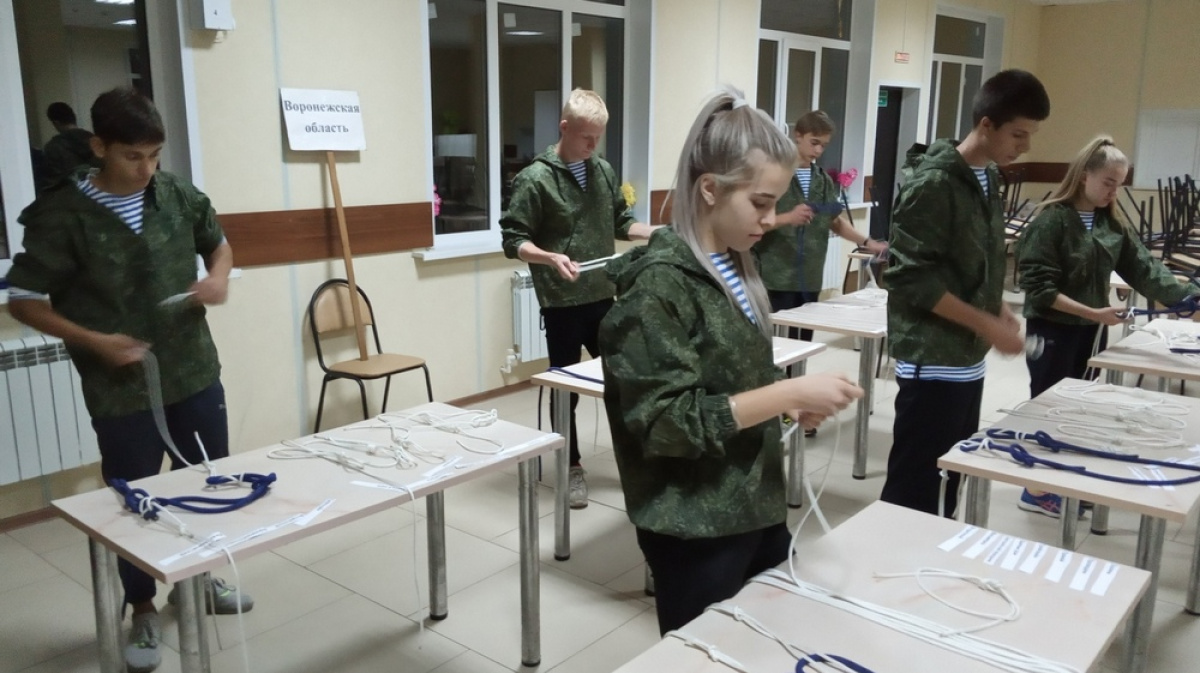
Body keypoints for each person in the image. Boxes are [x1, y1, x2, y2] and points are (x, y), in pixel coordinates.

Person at [599, 86, 863, 635]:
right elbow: (667, 423)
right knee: (706, 649)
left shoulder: (736, 264)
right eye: (761, 203)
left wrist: (783, 409)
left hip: (753, 500)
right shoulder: (658, 290)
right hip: (695, 523)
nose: (770, 220)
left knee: (764, 641)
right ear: (710, 189)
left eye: (775, 203)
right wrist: (788, 394)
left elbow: (732, 378)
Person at [6, 88, 248, 673]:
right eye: (132, 157)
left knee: (209, 483)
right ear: (99, 147)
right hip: (119, 386)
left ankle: (200, 578)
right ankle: (141, 606)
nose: (147, 170)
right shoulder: (63, 215)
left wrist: (219, 280)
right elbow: (23, 300)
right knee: (135, 503)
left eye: (155, 156)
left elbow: (219, 247)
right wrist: (95, 341)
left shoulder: (175, 195)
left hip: (191, 369)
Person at [882, 69, 1050, 517]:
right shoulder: (934, 183)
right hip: (931, 357)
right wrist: (988, 325)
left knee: (948, 476)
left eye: (1030, 135)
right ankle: (886, 576)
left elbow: (971, 262)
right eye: (1018, 134)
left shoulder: (987, 177)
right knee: (915, 486)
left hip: (964, 356)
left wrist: (996, 307)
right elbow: (910, 277)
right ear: (986, 124)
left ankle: (926, 564)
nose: (1025, 146)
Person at [1015, 136, 1197, 516]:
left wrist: (1185, 295)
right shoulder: (1052, 221)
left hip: (1087, 329)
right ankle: (1035, 488)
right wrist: (1093, 313)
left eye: (1120, 184)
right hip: (1052, 328)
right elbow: (1037, 288)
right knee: (1048, 404)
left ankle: (1061, 480)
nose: (1113, 191)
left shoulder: (1109, 224)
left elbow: (1144, 268)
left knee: (1077, 406)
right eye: (1108, 183)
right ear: (1084, 176)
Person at [501, 88, 658, 508]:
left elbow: (622, 222)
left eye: (598, 137)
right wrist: (550, 257)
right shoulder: (535, 178)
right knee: (565, 388)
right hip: (562, 302)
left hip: (603, 293)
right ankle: (570, 466)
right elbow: (513, 240)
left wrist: (658, 232)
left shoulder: (603, 171)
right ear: (564, 128)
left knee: (623, 380)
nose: (592, 145)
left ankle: (636, 461)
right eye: (586, 136)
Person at [757, 110, 889, 343]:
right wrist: (788, 217)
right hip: (774, 278)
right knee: (773, 347)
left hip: (809, 277)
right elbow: (754, 223)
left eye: (823, 146)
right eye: (814, 142)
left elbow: (835, 221)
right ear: (798, 135)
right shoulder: (773, 174)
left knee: (801, 346)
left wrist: (868, 243)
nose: (818, 150)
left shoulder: (822, 180)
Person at [41, 101, 100, 188]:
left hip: (69, 198)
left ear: (56, 123)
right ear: (73, 118)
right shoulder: (95, 141)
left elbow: (52, 185)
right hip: (98, 195)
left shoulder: (53, 147)